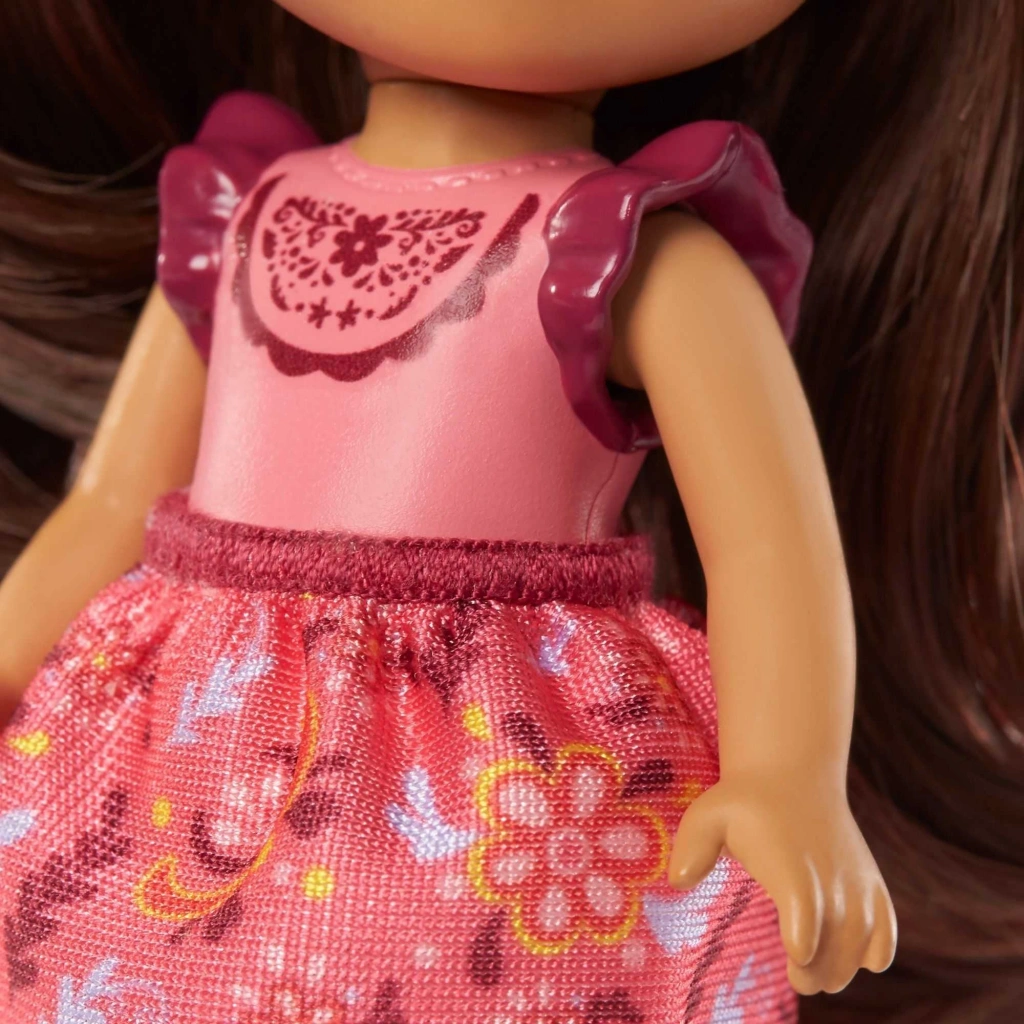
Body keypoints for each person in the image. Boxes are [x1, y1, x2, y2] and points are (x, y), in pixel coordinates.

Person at [0, 2, 1020, 1022]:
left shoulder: (641, 257)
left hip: (515, 797)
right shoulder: (249, 209)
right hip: (194, 749)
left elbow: (768, 550)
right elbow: (114, 499)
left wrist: (787, 774)